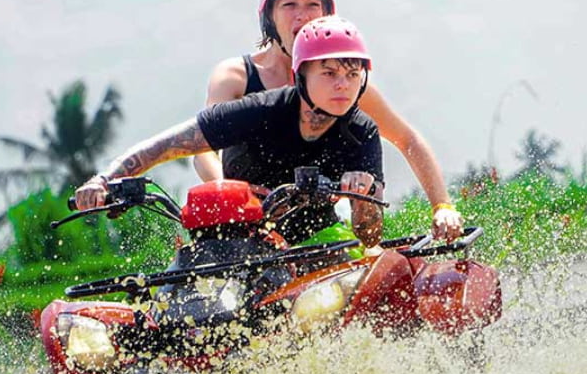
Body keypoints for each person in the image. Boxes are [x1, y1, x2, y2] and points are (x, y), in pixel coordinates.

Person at [192, 0, 463, 242]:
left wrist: (442, 206)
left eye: (313, 5)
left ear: (326, 14)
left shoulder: (343, 85)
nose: (302, 15)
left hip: (317, 231)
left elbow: (407, 139)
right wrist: (233, 197)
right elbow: (202, 151)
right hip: (244, 227)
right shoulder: (235, 77)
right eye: (289, 5)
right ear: (269, 16)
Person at [75, 16, 384, 246]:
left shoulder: (363, 132)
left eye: (352, 74)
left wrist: (364, 197)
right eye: (329, 73)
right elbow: (163, 146)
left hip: (318, 244)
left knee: (360, 272)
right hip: (232, 240)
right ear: (300, 75)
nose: (342, 84)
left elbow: (370, 235)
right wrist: (102, 181)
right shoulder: (258, 110)